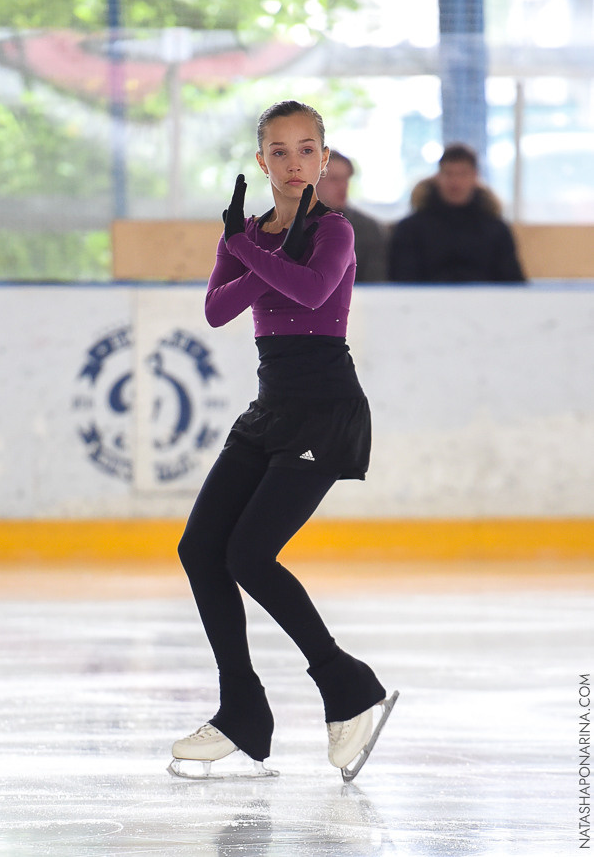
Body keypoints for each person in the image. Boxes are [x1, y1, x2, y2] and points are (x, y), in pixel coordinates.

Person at [169, 100, 397, 782]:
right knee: (200, 549)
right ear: (261, 160)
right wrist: (247, 244)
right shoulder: (247, 233)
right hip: (270, 409)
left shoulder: (335, 230)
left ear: (323, 159)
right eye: (279, 150)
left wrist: (244, 249)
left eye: (306, 150)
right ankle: (242, 708)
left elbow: (313, 288)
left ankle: (348, 687)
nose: (294, 163)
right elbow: (217, 310)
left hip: (324, 409)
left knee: (248, 553)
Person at [388, 143, 526, 283]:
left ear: (475, 177)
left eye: (463, 174)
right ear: (438, 177)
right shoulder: (411, 229)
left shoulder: (496, 230)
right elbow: (402, 279)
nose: (455, 182)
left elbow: (512, 281)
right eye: (449, 174)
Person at [316, 149, 388, 282]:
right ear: (314, 182)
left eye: (346, 179)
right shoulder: (291, 224)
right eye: (334, 180)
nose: (342, 187)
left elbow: (375, 283)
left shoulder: (367, 228)